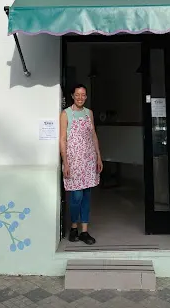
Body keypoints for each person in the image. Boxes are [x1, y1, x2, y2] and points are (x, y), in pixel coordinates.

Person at [60, 84, 103, 245]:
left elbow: (93, 135)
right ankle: (73, 226)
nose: (80, 97)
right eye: (77, 94)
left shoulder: (88, 113)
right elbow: (62, 139)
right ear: (72, 96)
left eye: (83, 95)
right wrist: (65, 162)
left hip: (89, 160)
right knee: (76, 196)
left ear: (86, 96)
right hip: (73, 161)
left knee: (86, 196)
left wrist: (98, 157)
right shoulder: (65, 114)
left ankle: (84, 231)